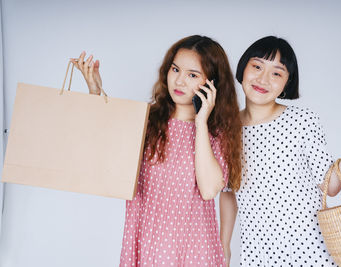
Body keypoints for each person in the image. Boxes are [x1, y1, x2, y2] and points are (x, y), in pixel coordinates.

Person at [71, 35, 242, 267]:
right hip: (145, 243)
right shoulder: (146, 121)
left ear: (212, 84)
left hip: (194, 251)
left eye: (192, 75)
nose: (179, 81)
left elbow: (210, 189)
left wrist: (201, 121)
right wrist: (95, 91)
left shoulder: (216, 133)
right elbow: (104, 150)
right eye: (175, 69)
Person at [219, 36, 341, 267]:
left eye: (277, 73)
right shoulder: (226, 130)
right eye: (257, 66)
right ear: (243, 68)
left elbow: (330, 187)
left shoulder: (303, 120)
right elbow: (227, 191)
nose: (263, 78)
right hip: (258, 252)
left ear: (287, 82)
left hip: (310, 249)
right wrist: (224, 245)